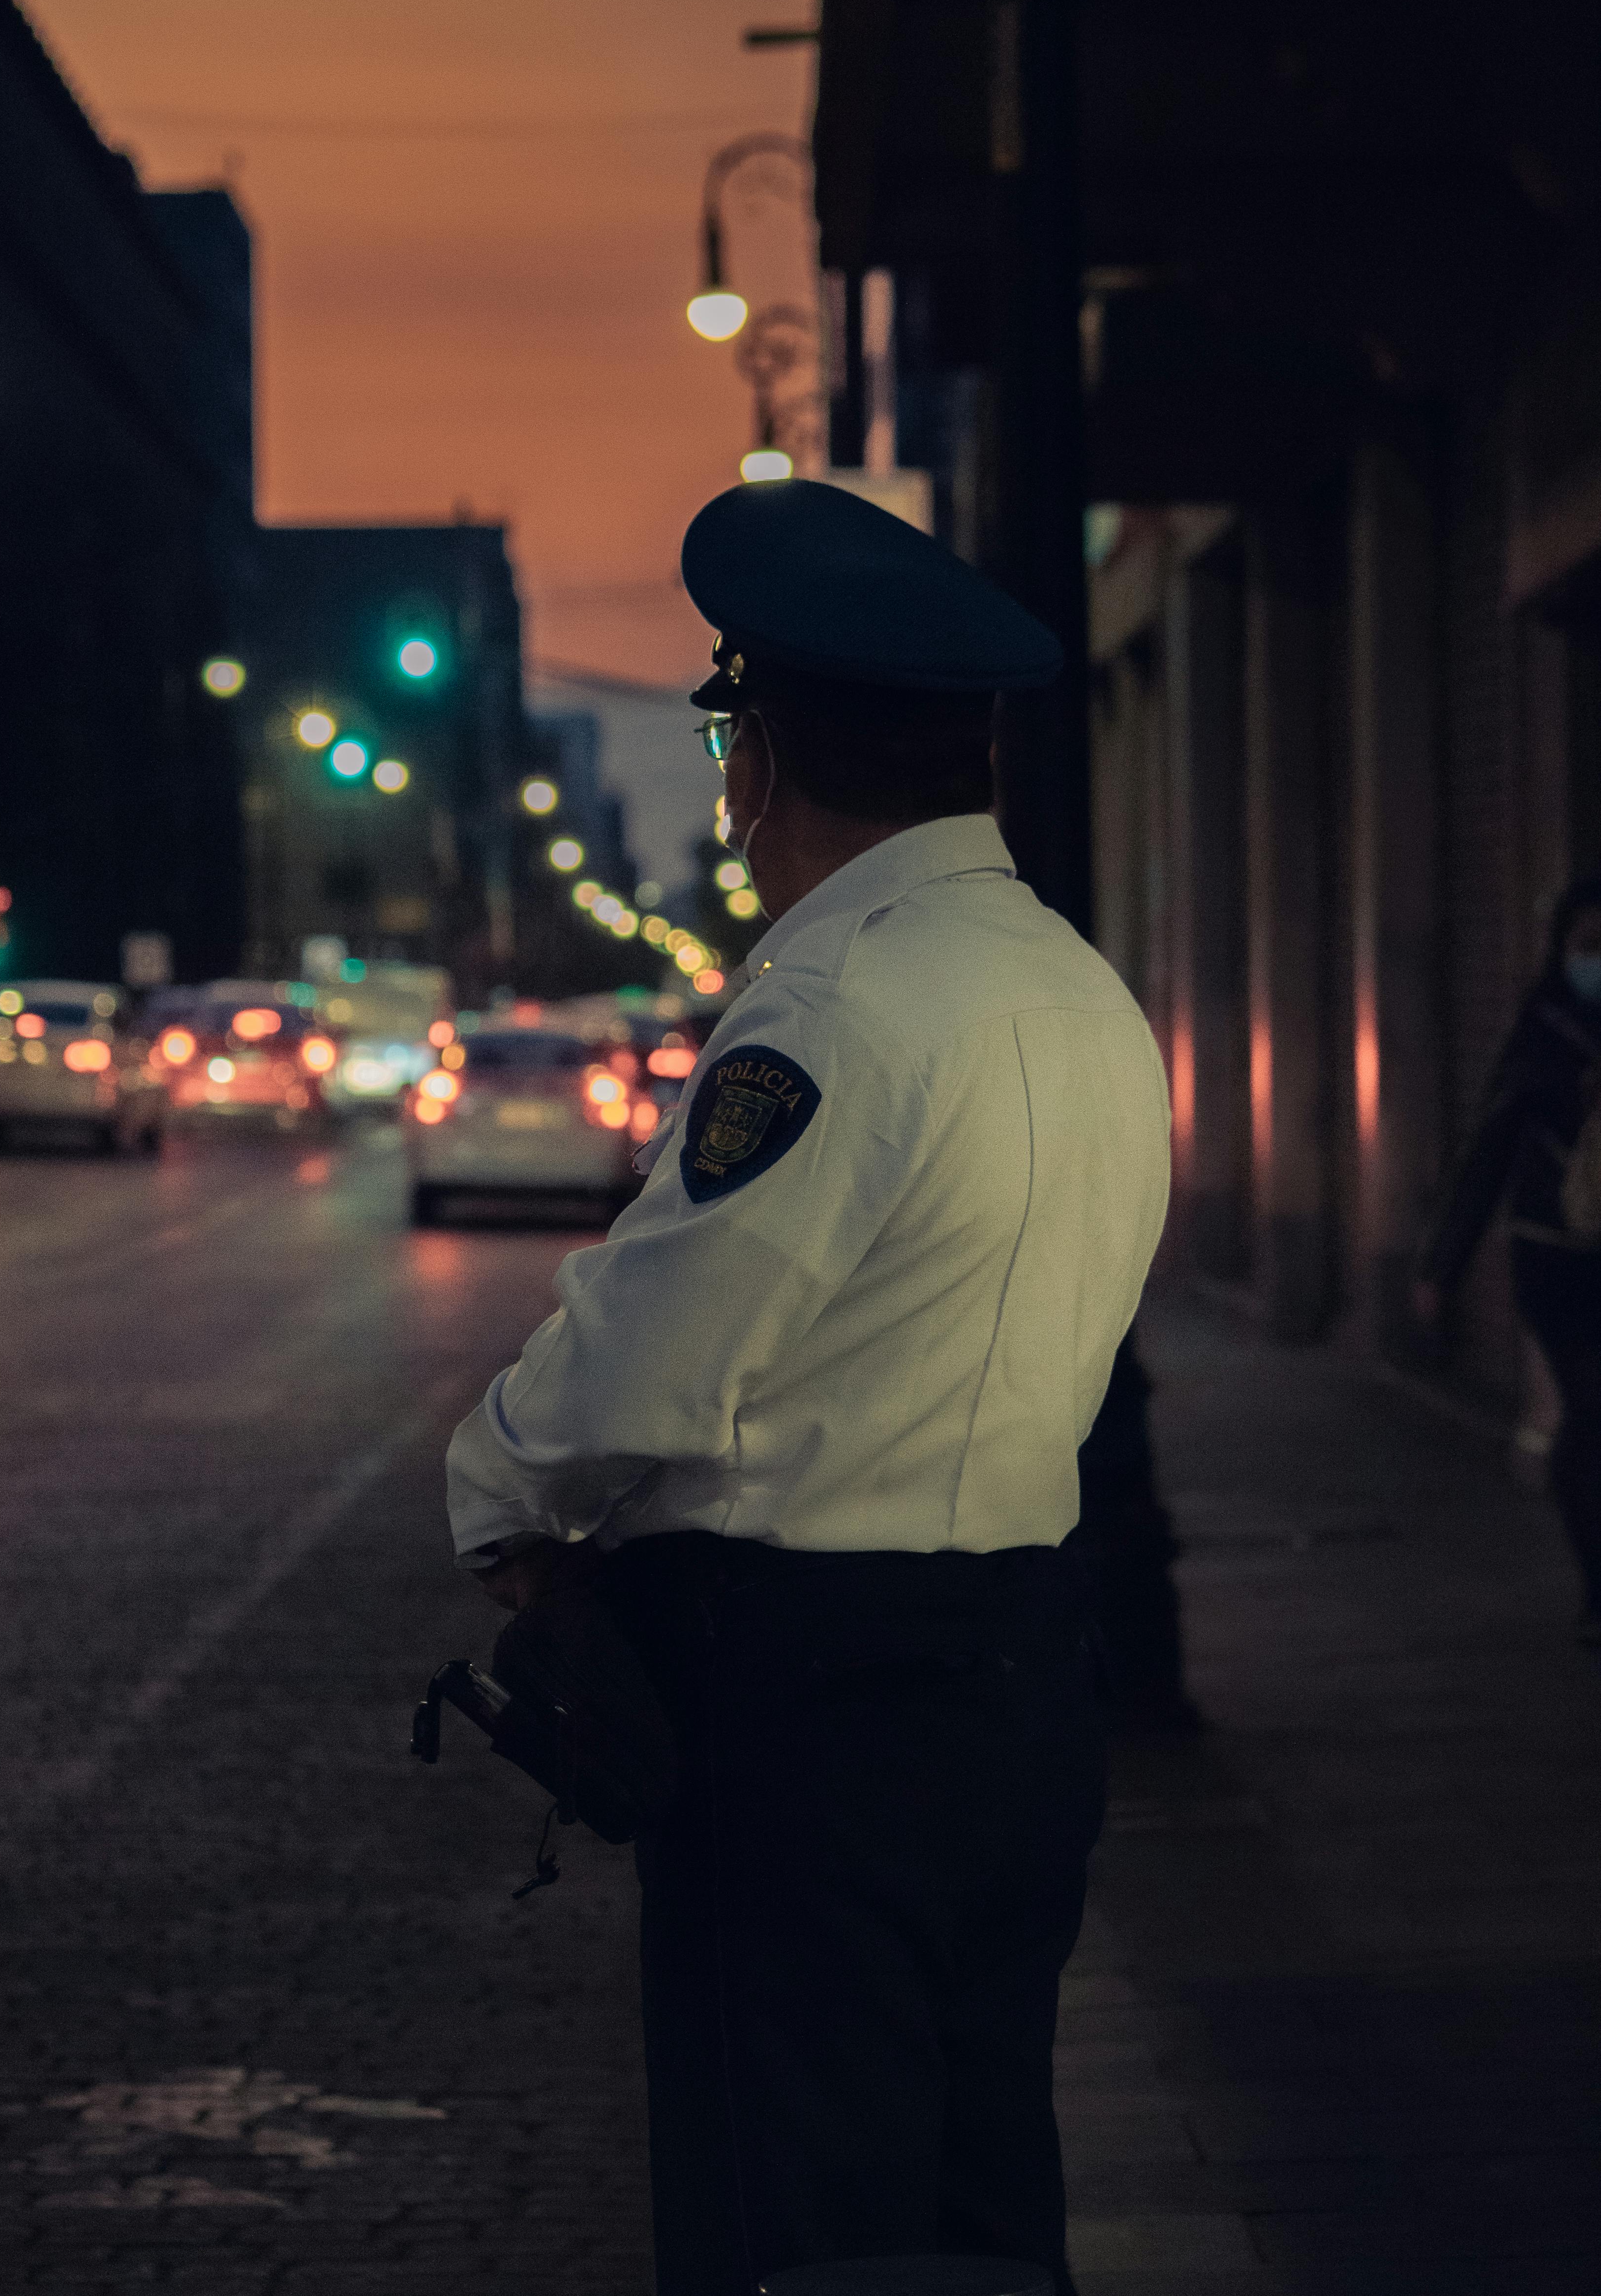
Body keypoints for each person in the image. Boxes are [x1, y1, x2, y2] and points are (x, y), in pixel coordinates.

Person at [444, 478, 1172, 2296]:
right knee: (980, 2187)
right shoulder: (1082, 992)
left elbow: (654, 1348)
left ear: (755, 756)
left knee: (797, 2212)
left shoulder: (831, 1008)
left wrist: (500, 1489)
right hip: (1020, 1669)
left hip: (810, 1705)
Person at [1414, 876, 1601, 1637]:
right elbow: (1488, 1151)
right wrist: (1440, 1266)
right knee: (1591, 1410)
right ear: (1562, 949)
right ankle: (1597, 1586)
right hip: (1555, 1254)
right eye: (1589, 945)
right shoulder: (1542, 1028)